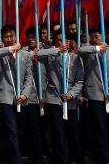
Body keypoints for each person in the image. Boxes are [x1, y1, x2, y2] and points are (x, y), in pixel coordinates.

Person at [0, 26, 34, 164]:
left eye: (12, 36)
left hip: (21, 99)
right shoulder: (1, 53)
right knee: (11, 130)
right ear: (2, 39)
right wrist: (10, 49)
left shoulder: (26, 55)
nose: (10, 39)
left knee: (16, 132)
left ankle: (5, 157)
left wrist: (25, 94)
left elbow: (29, 77)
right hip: (4, 98)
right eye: (6, 36)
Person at [37, 31, 83, 161]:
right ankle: (61, 159)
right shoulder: (52, 56)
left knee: (72, 132)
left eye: (64, 40)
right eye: (58, 40)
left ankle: (76, 158)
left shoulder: (75, 58)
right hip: (54, 98)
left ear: (69, 42)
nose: (62, 42)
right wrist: (56, 49)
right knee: (58, 133)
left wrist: (72, 94)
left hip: (70, 100)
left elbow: (80, 81)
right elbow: (39, 53)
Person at [78, 26, 109, 164]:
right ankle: (103, 158)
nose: (96, 39)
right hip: (95, 96)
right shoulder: (89, 51)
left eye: (98, 36)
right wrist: (98, 48)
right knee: (100, 129)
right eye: (94, 36)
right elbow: (80, 50)